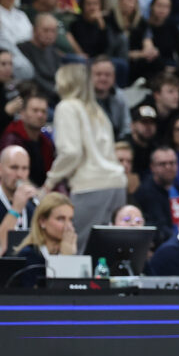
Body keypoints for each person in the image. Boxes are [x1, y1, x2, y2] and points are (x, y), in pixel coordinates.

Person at [41, 64, 125, 250]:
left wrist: (50, 181)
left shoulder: (67, 107)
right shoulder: (97, 110)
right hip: (117, 184)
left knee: (75, 248)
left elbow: (71, 152)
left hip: (91, 185)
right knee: (107, 252)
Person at [0, 143, 38, 234]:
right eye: (14, 167)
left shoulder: (33, 205)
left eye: (24, 168)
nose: (19, 174)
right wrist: (15, 210)